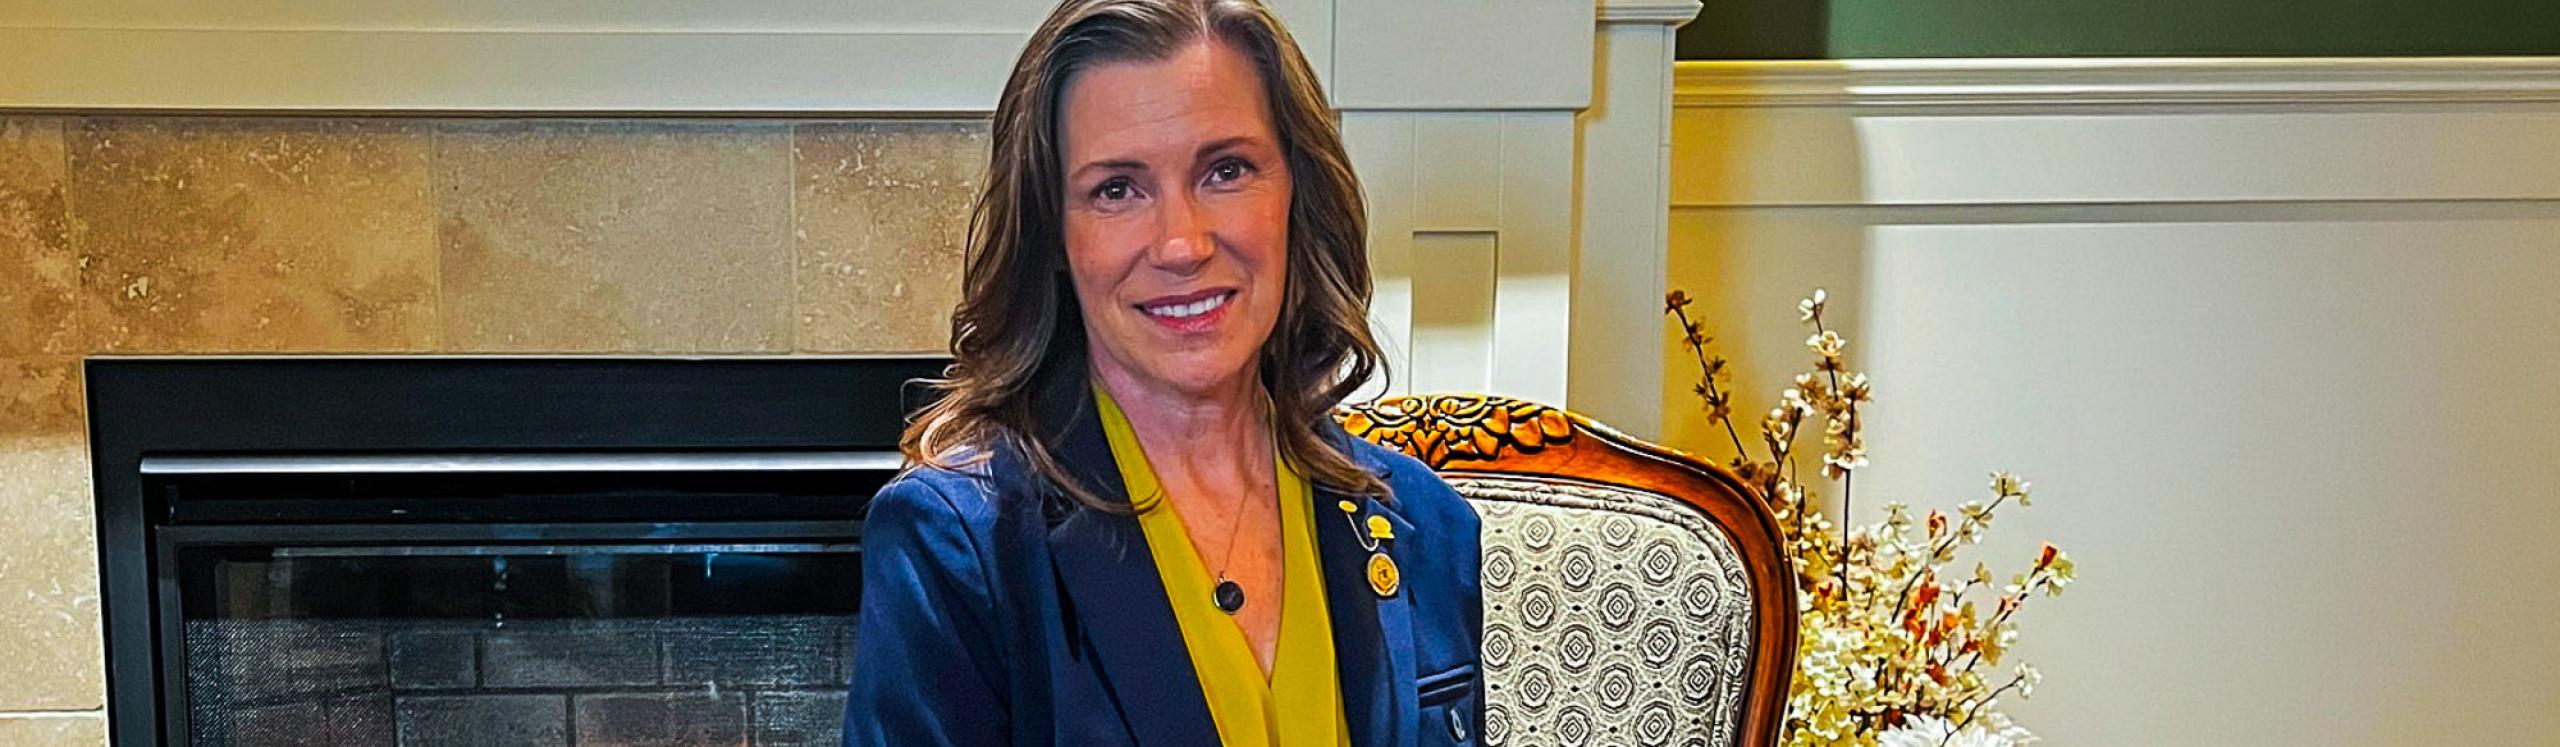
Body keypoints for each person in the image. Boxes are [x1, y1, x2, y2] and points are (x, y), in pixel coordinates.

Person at [842, 0, 1484, 744]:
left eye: (1226, 170)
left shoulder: (1429, 527)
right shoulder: (961, 545)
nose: (1181, 243)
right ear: (1055, 233)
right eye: (1117, 189)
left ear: (1295, 197)